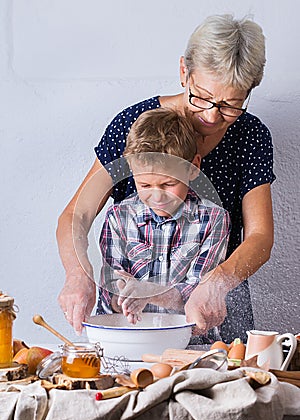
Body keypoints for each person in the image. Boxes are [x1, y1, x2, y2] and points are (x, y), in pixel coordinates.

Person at [56, 14, 275, 343]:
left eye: (231, 105)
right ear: (184, 72)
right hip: (136, 326)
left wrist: (216, 283)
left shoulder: (251, 136)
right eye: (202, 96)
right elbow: (78, 213)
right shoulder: (135, 125)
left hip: (211, 315)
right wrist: (78, 273)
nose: (212, 116)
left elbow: (259, 236)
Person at [97, 108, 230, 331]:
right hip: (129, 337)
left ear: (193, 168)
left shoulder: (213, 219)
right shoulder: (118, 218)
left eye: (168, 184)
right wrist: (124, 293)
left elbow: (197, 295)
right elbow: (109, 293)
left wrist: (150, 292)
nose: (157, 196)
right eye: (145, 185)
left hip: (190, 344)